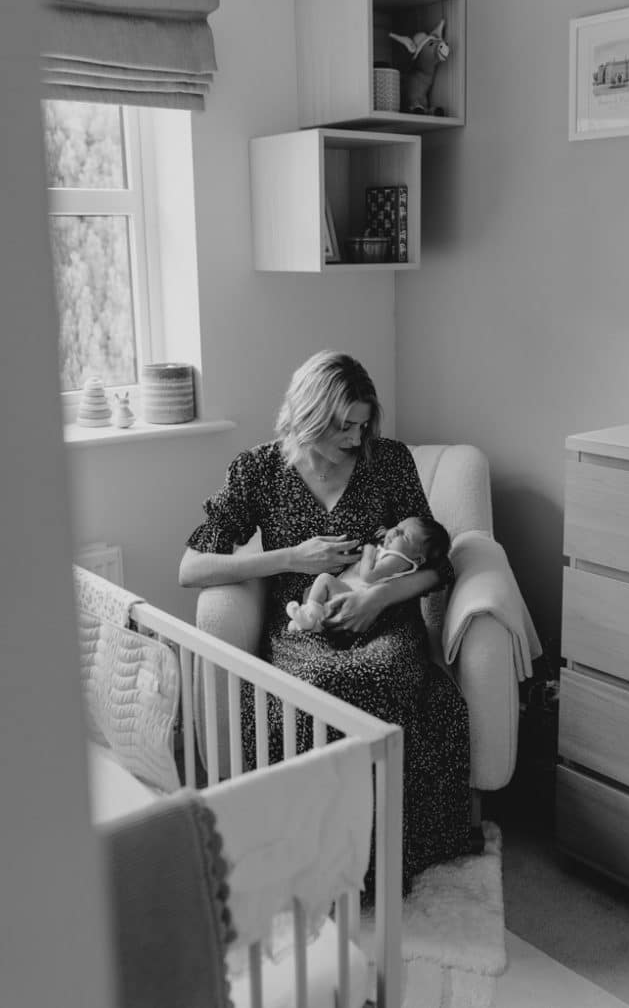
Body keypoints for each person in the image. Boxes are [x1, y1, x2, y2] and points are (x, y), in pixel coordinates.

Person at [179, 349, 471, 893]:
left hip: (381, 620)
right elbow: (191, 567)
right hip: (302, 627)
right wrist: (292, 558)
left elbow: (438, 566)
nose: (357, 440)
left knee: (379, 674)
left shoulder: (389, 462)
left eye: (363, 426)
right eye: (345, 427)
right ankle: (316, 854)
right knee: (313, 689)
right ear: (310, 415)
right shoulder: (258, 470)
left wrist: (378, 601)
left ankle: (374, 862)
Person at [285, 515, 450, 634]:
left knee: (324, 579)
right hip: (346, 596)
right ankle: (310, 623)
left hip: (351, 598)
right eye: (398, 526)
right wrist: (389, 535)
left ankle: (309, 616)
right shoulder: (398, 555)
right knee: (314, 591)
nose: (395, 532)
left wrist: (369, 551)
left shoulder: (399, 559)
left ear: (418, 559)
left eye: (404, 536)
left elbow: (369, 576)